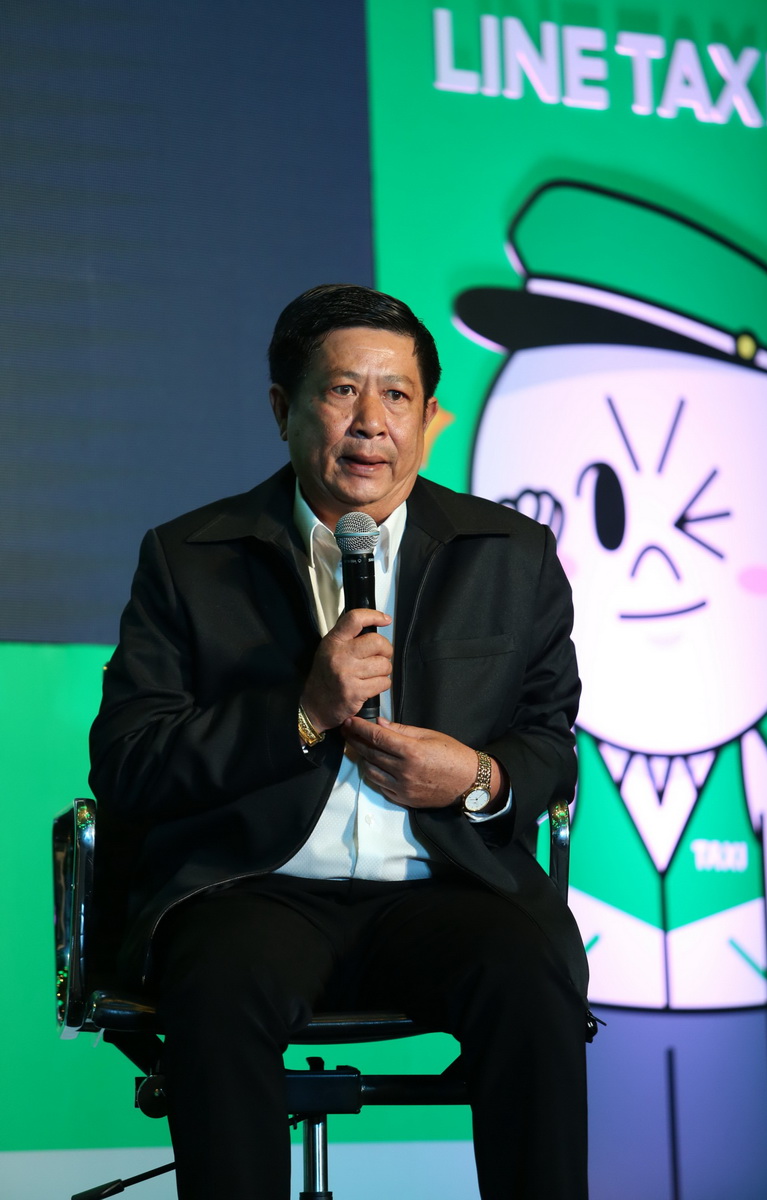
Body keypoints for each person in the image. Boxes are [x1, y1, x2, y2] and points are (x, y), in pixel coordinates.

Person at [89, 283, 591, 1200]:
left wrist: (476, 776)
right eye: (341, 391)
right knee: (218, 986)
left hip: (448, 888)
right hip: (254, 890)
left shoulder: (511, 555)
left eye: (396, 395)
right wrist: (302, 713)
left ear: (429, 418)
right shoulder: (191, 558)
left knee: (530, 972)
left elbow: (549, 740)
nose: (371, 423)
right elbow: (128, 763)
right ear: (282, 409)